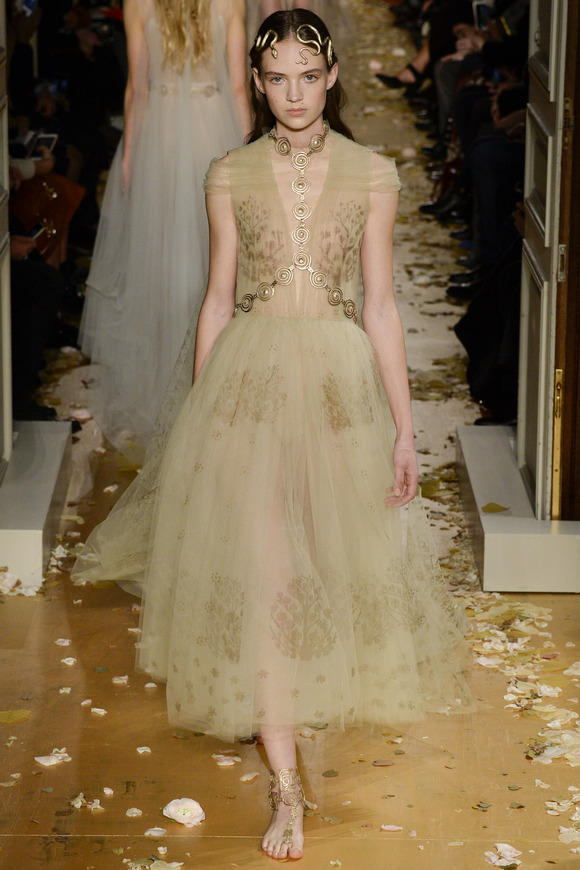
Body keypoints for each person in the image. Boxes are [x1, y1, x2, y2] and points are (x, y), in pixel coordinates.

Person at [73, 9, 472, 861]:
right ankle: (286, 786)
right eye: (278, 77)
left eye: (308, 76)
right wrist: (197, 424)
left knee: (329, 573)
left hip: (336, 395)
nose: (294, 93)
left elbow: (381, 306)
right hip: (247, 392)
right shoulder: (228, 174)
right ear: (257, 83)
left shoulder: (372, 174)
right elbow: (217, 302)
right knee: (267, 577)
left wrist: (405, 429)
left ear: (332, 77)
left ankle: (293, 707)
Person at [80, 0, 251, 463]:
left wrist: (130, 159)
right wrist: (250, 156)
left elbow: (137, 89)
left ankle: (164, 395)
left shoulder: (138, 3)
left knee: (162, 267)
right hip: (214, 132)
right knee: (215, 267)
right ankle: (212, 396)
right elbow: (238, 88)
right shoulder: (230, 2)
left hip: (160, 136)